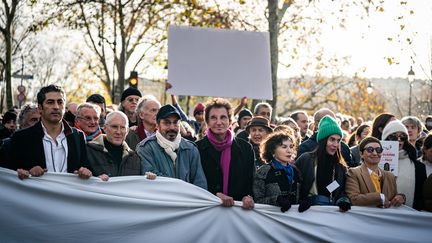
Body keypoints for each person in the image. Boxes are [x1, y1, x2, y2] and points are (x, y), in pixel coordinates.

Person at [11, 84, 92, 180]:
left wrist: (86, 171)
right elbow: (10, 174)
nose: (56, 107)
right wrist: (26, 172)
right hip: (37, 194)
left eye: (60, 102)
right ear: (40, 108)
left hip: (70, 194)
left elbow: (86, 168)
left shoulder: (78, 136)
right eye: (50, 102)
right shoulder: (21, 138)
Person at [196, 98, 255, 209]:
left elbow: (250, 180)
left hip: (238, 211)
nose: (219, 122)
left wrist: (248, 196)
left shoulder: (245, 148)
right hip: (207, 209)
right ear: (207, 122)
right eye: (213, 118)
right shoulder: (197, 148)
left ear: (230, 120)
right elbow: (194, 183)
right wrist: (215, 195)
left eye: (223, 117)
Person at [136, 105, 207, 189]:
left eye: (175, 122)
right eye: (167, 123)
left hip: (187, 201)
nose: (172, 127)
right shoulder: (145, 148)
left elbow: (200, 183)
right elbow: (151, 183)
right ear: (157, 125)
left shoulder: (190, 149)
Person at [295, 115, 351, 212]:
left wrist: (343, 200)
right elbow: (295, 185)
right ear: (323, 140)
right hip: (308, 212)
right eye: (332, 139)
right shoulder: (306, 159)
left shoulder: (340, 166)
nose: (335, 144)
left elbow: (343, 190)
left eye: (338, 140)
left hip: (333, 212)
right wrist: (302, 200)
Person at [86, 111, 155, 181]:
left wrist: (147, 178)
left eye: (122, 127)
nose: (118, 132)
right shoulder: (87, 151)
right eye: (114, 127)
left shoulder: (135, 158)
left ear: (127, 131)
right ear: (105, 128)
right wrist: (94, 180)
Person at [346, 137, 405, 208]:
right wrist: (380, 197)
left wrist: (401, 197)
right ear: (361, 154)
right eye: (370, 150)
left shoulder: (390, 175)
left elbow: (394, 197)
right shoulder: (354, 173)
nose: (375, 153)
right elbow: (353, 199)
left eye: (378, 150)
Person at [382, 120, 427, 210]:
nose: (399, 140)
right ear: (385, 138)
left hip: (406, 218)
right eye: (393, 137)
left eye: (402, 137)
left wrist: (404, 198)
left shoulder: (418, 167)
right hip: (379, 216)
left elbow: (421, 198)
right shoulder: (373, 163)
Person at [253, 131, 301, 212]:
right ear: (272, 151)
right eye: (284, 147)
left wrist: (303, 201)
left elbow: (300, 196)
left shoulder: (296, 171)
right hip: (270, 219)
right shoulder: (264, 171)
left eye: (291, 146)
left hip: (293, 220)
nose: (289, 151)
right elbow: (257, 200)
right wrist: (276, 200)